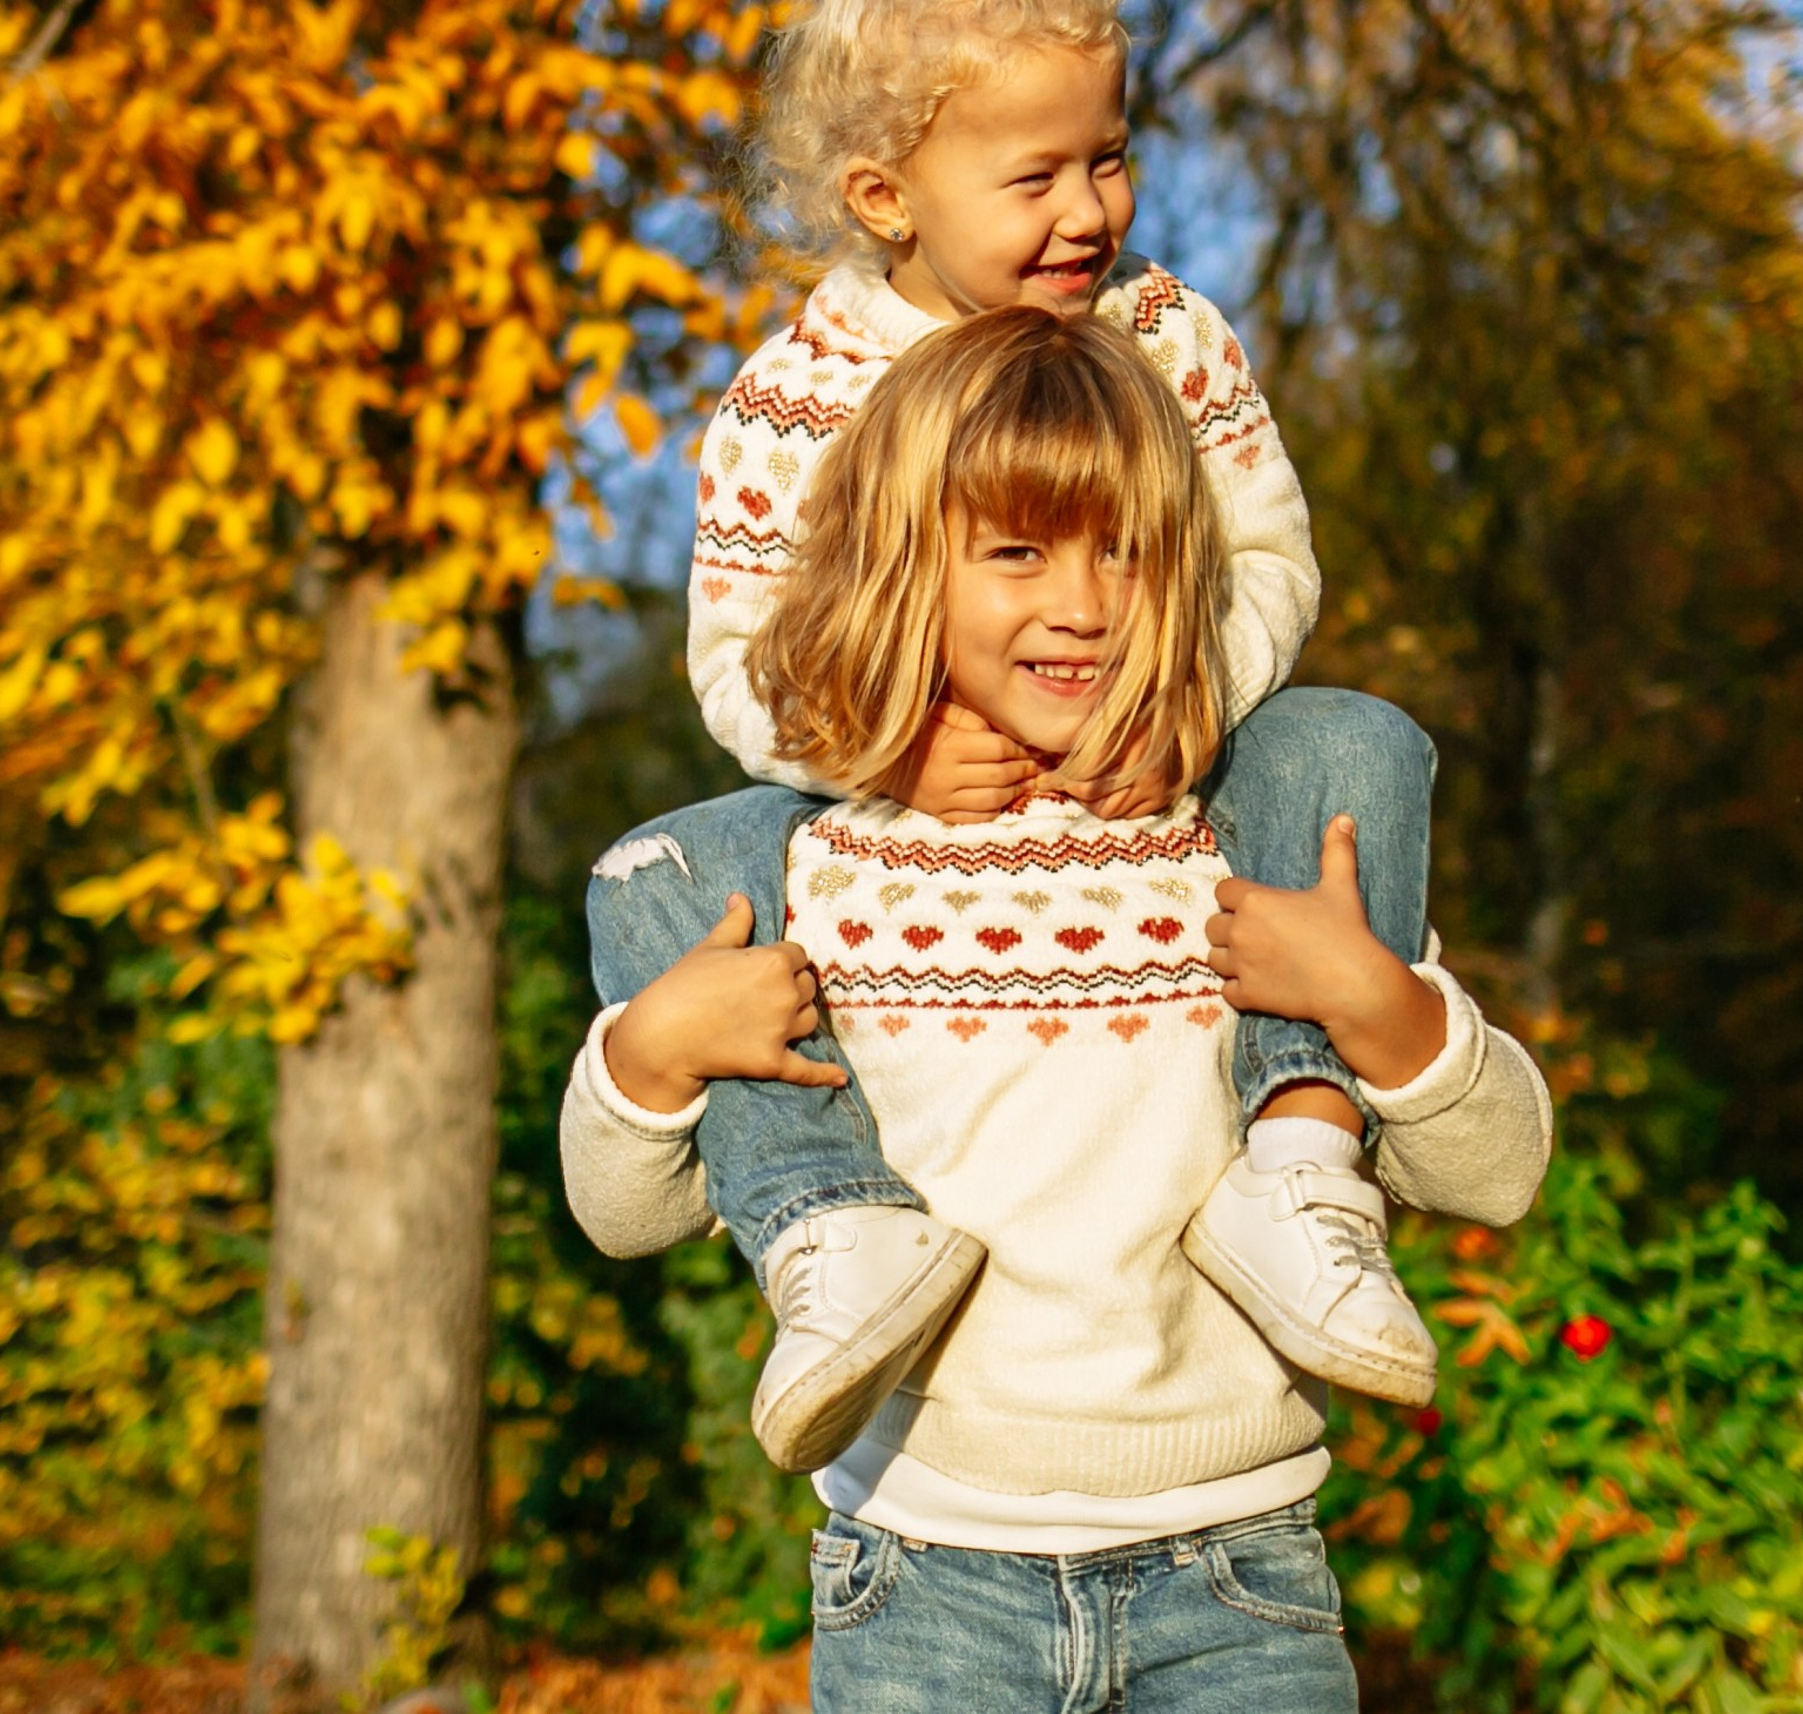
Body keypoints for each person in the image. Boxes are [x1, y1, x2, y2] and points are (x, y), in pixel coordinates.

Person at [583, 0, 1444, 1478]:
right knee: (664, 870)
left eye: (1108, 159)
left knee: (1352, 746)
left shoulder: (1165, 337)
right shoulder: (798, 398)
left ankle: (1298, 1148)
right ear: (887, 196)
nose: (1087, 212)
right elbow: (738, 657)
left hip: (1157, 757)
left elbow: (1267, 549)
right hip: (916, 801)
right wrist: (880, 747)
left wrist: (1191, 686)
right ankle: (829, 1223)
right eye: (1033, 176)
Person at [561, 311, 1551, 1710]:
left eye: (1126, 551)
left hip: (1242, 1575)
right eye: (1017, 550)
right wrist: (651, 1055)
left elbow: (1498, 1169)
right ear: (907, 570)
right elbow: (626, 1213)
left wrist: (1374, 1002)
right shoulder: (813, 870)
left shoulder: (1243, 837)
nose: (1082, 604)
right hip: (923, 1582)